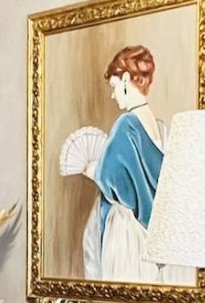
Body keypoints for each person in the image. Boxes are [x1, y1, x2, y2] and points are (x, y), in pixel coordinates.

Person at [80, 45, 193, 284]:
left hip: (126, 230)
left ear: (125, 79)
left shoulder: (126, 125)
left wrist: (91, 170)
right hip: (153, 231)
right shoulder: (161, 127)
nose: (113, 95)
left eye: (113, 87)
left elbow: (111, 180)